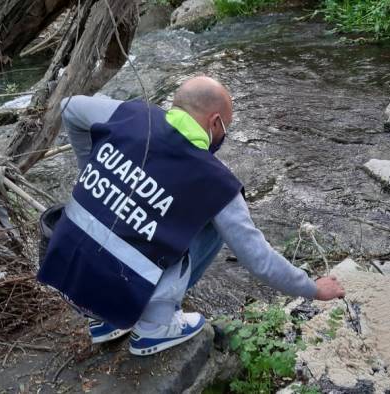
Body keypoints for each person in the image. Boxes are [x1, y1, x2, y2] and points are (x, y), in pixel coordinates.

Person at [37, 76, 345, 356]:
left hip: (65, 275)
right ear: (214, 123)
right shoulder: (216, 183)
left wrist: (91, 165)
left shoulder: (130, 115)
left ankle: (104, 320)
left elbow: (68, 107)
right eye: (226, 126)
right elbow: (257, 259)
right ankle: (154, 325)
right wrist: (314, 289)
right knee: (213, 225)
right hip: (114, 284)